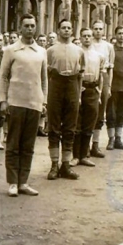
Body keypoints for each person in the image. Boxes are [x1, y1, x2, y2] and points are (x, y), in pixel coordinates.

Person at [0, 14, 46, 197]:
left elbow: (44, 80)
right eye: (26, 25)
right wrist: (3, 100)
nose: (30, 29)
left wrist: (44, 101)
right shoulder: (11, 50)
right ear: (20, 28)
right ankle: (12, 182)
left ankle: (23, 182)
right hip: (16, 102)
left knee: (28, 145)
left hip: (34, 102)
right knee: (13, 144)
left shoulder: (41, 51)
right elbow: (2, 76)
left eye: (33, 25)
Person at [46, 19, 83, 180]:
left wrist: (79, 95)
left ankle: (66, 165)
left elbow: (81, 74)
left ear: (72, 30)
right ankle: (54, 165)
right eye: (63, 28)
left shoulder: (78, 50)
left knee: (70, 127)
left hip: (72, 85)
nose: (66, 30)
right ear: (58, 30)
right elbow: (46, 74)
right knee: (54, 126)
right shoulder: (51, 50)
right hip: (56, 85)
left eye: (69, 28)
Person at [71, 28, 104, 168]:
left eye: (89, 36)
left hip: (93, 89)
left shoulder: (98, 55)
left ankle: (84, 155)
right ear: (80, 37)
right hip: (80, 88)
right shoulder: (76, 53)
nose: (87, 38)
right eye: (84, 36)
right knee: (77, 122)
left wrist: (99, 91)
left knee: (89, 123)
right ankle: (75, 156)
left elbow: (101, 75)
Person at [90, 20, 115, 158]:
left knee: (100, 111)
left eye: (100, 29)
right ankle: (83, 146)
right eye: (96, 28)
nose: (98, 31)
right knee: (88, 111)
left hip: (104, 77)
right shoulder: (88, 44)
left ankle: (95, 144)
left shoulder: (108, 47)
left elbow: (111, 68)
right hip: (90, 77)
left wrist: (109, 86)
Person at [105, 26, 123, 150]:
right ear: (115, 35)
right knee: (111, 113)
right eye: (119, 33)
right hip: (113, 85)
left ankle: (118, 139)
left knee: (121, 113)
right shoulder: (111, 49)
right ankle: (111, 139)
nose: (121, 36)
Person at [35, 34, 48, 137]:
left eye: (44, 41)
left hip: (45, 78)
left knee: (44, 102)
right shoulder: (36, 51)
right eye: (40, 40)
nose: (42, 42)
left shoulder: (47, 52)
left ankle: (41, 127)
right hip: (36, 78)